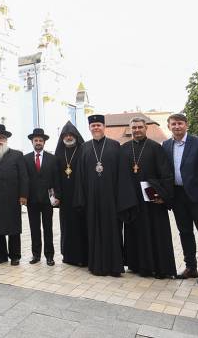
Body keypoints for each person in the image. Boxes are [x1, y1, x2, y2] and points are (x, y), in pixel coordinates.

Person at [73, 114, 137, 277]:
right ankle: (96, 266)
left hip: (111, 199)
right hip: (91, 199)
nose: (96, 128)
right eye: (93, 126)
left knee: (113, 231)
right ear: (89, 128)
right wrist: (81, 199)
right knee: (93, 231)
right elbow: (79, 176)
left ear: (104, 127)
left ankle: (114, 266)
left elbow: (123, 174)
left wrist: (122, 198)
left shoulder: (115, 146)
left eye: (99, 125)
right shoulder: (84, 148)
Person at [162, 113, 198, 284]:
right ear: (169, 126)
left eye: (180, 123)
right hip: (177, 196)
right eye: (173, 124)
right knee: (185, 233)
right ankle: (190, 267)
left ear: (186, 125)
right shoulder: (166, 145)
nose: (177, 126)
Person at [121, 117, 176, 279]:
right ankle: (137, 265)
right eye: (134, 127)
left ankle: (159, 267)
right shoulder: (124, 149)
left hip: (152, 200)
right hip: (132, 199)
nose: (137, 130)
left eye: (140, 127)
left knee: (155, 233)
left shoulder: (155, 148)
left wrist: (162, 194)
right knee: (135, 233)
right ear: (130, 129)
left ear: (146, 128)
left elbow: (166, 174)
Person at [0, 124, 28, 266]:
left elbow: (23, 177)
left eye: (1, 138)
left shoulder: (17, 155)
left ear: (6, 139)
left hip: (12, 198)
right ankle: (1, 256)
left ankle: (15, 256)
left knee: (14, 228)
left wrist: (23, 195)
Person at [23, 128, 59, 266]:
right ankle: (36, 255)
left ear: (44, 142)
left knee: (48, 228)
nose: (38, 142)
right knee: (34, 228)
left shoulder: (52, 158)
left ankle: (49, 256)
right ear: (32, 142)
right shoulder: (25, 158)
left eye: (40, 140)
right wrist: (24, 196)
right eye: (36, 140)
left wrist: (58, 196)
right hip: (32, 200)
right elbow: (24, 179)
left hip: (47, 200)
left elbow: (56, 180)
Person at [53, 121, 87, 266]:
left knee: (81, 226)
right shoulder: (59, 152)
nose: (68, 137)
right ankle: (68, 256)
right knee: (67, 227)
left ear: (76, 136)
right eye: (65, 135)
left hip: (81, 195)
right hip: (65, 198)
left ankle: (82, 257)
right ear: (62, 138)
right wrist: (56, 195)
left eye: (71, 135)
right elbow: (54, 176)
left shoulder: (83, 150)